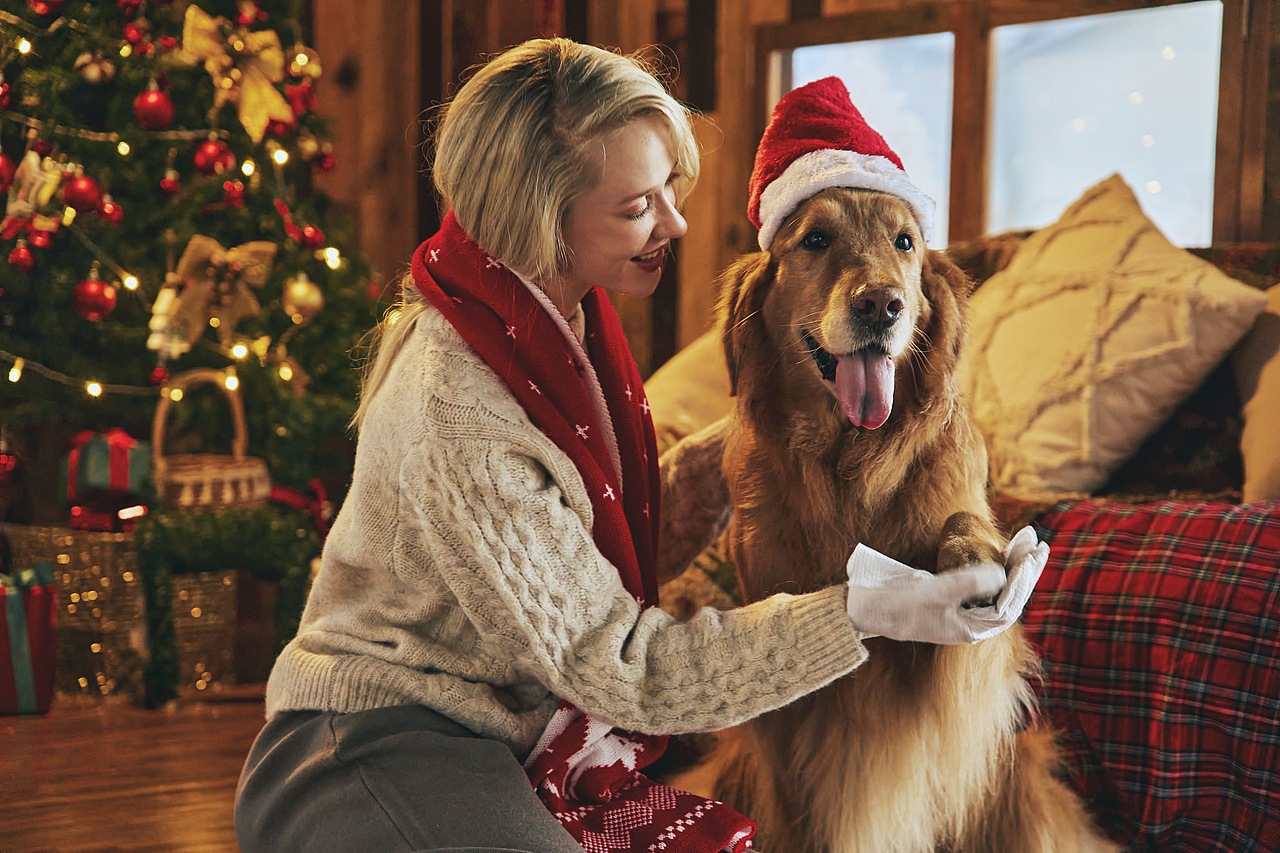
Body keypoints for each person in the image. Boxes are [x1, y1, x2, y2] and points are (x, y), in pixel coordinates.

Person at [235, 37, 1044, 853]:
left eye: (668, 188)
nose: (676, 222)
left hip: (519, 731)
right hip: (373, 740)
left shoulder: (548, 319)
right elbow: (630, 671)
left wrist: (795, 438)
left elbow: (576, 535)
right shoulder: (456, 405)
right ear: (540, 216)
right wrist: (870, 608)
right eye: (637, 206)